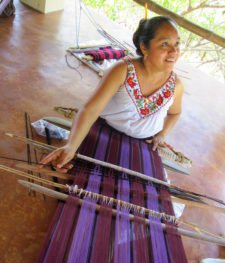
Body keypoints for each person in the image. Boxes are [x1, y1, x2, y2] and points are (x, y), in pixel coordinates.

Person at [39, 16, 184, 171]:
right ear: (144, 47)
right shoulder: (122, 71)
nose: (174, 51)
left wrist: (162, 135)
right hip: (104, 132)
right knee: (88, 178)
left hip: (142, 145)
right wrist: (71, 145)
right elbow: (90, 110)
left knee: (134, 191)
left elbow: (175, 113)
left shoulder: (175, 86)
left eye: (177, 43)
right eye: (165, 44)